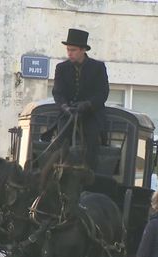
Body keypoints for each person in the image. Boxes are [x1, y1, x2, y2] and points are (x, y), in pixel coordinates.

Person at [52, 28, 109, 170]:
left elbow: (102, 93)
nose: (69, 53)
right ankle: (58, 169)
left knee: (92, 140)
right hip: (68, 112)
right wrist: (64, 107)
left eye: (73, 50)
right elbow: (58, 93)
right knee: (60, 139)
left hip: (90, 113)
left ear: (83, 50)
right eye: (68, 50)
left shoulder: (98, 67)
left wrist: (88, 105)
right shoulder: (61, 68)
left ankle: (89, 171)